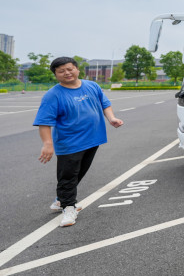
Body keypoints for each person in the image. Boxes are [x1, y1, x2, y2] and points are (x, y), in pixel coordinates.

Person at [33, 57, 124, 227]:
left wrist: (111, 118)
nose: (67, 73)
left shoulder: (92, 86)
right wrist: (47, 144)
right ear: (56, 74)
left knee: (79, 172)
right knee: (68, 176)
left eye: (69, 69)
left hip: (93, 138)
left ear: (77, 69)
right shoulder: (53, 95)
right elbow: (44, 122)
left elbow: (105, 103)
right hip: (70, 143)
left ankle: (61, 199)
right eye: (61, 71)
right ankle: (68, 208)